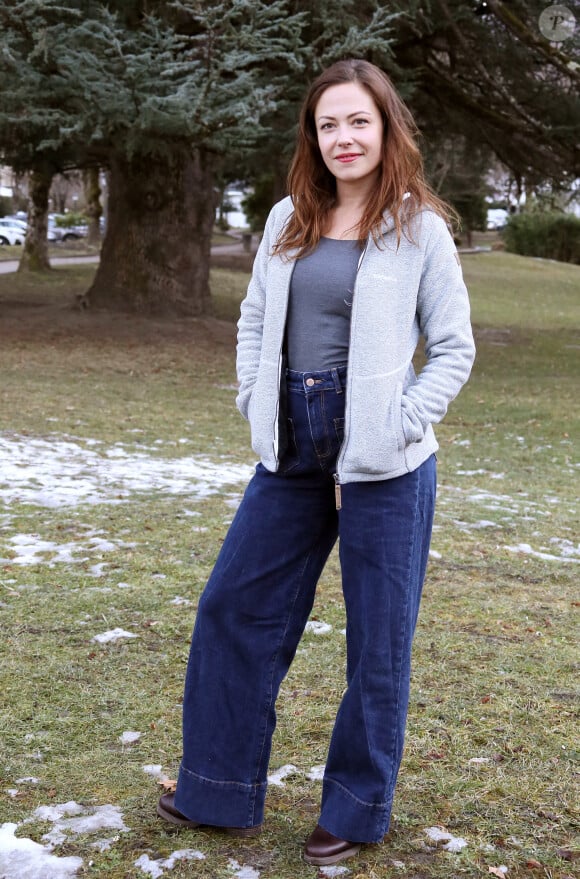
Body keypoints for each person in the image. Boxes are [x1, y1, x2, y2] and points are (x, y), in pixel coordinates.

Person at [157, 58, 475, 867]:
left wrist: (393, 428)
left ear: (385, 127)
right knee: (233, 605)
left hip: (388, 462)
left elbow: (453, 349)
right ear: (313, 134)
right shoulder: (285, 219)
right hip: (292, 449)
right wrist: (254, 404)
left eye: (358, 121)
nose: (343, 137)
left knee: (377, 641)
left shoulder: (419, 229)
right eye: (328, 123)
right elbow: (255, 323)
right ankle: (217, 791)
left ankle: (358, 806)